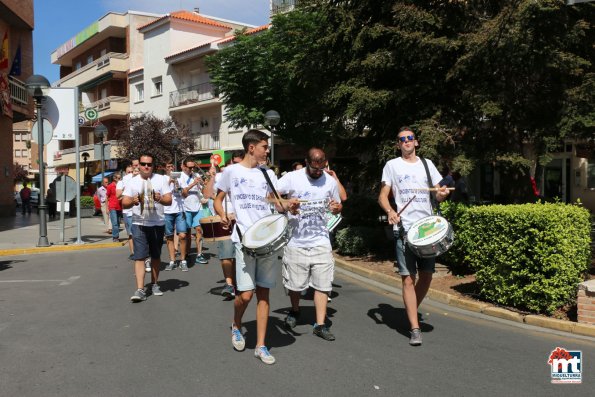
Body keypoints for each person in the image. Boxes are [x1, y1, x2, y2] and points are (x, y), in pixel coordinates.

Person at [214, 129, 290, 365]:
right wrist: (222, 214)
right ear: (251, 148)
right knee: (246, 295)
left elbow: (275, 203)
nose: (267, 150)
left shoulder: (267, 174)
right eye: (264, 147)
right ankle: (236, 324)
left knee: (264, 295)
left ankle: (261, 345)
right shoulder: (231, 172)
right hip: (243, 239)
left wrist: (289, 205)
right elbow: (217, 199)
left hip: (266, 240)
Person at [378, 127, 449, 346]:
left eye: (410, 138)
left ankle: (410, 309)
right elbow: (382, 196)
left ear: (416, 142)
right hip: (405, 229)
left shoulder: (427, 165)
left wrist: (443, 194)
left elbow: (437, 193)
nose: (406, 141)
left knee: (426, 276)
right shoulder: (392, 166)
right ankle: (414, 327)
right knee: (408, 278)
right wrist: (390, 211)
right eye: (402, 139)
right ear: (398, 144)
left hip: (427, 230)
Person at [277, 148, 343, 341]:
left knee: (323, 285)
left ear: (324, 164)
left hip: (321, 241)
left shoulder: (330, 181)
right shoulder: (291, 178)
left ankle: (320, 324)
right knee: (295, 285)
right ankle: (295, 310)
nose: (317, 172)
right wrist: (288, 205)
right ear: (306, 162)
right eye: (313, 168)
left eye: (320, 168)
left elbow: (338, 206)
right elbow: (272, 197)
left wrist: (336, 208)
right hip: (296, 240)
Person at [122, 153, 172, 302]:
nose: (145, 167)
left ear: (153, 166)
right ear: (139, 165)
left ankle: (155, 284)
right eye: (143, 164)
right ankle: (139, 289)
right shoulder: (132, 182)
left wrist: (160, 198)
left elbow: (169, 200)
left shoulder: (161, 180)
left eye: (149, 164)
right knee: (140, 257)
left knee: (156, 256)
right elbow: (124, 202)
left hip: (157, 223)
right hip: (139, 223)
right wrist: (133, 201)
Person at [204, 150, 245, 298]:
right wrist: (212, 177)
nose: (237, 166)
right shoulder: (222, 176)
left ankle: (241, 282)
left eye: (240, 162)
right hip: (226, 220)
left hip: (244, 221)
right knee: (226, 253)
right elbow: (207, 195)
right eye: (234, 163)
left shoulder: (250, 176)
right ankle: (229, 284)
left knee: (242, 254)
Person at [178, 158, 208, 266]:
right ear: (184, 166)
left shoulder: (196, 176)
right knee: (187, 233)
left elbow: (204, 192)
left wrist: (204, 184)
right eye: (189, 167)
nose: (191, 169)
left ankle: (199, 254)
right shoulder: (180, 177)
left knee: (199, 230)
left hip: (197, 206)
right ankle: (186, 253)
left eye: (193, 167)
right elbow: (183, 193)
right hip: (185, 207)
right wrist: (192, 184)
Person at [163, 160, 188, 271]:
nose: (171, 168)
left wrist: (178, 185)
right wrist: (169, 182)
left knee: (182, 235)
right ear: (165, 168)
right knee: (169, 236)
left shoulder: (181, 177)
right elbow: (161, 193)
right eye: (168, 166)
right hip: (167, 211)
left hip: (179, 210)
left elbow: (185, 194)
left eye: (172, 166)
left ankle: (183, 260)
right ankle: (172, 261)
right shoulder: (162, 179)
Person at [107, 172, 123, 242]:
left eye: (120, 178)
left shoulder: (122, 186)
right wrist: (107, 208)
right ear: (114, 178)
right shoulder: (110, 186)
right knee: (115, 223)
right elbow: (107, 197)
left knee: (118, 223)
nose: (120, 179)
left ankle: (116, 236)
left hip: (119, 206)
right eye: (119, 178)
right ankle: (115, 237)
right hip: (112, 206)